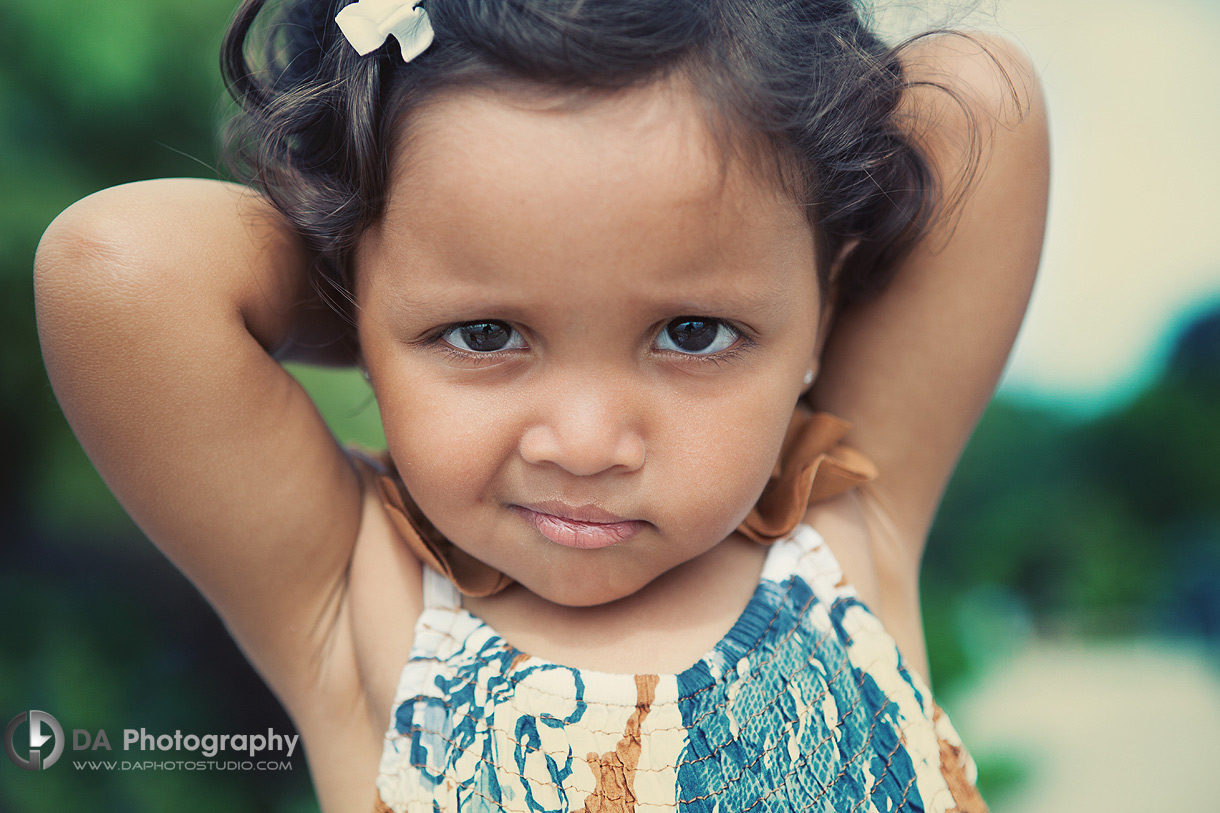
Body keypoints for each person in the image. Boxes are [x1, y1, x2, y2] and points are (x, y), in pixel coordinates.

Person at [33, 0, 1048, 810]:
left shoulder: (844, 530)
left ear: (824, 300)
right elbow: (116, 270)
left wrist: (442, 296)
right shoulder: (353, 600)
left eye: (691, 333)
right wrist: (385, 279)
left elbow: (975, 95)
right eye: (484, 334)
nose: (586, 442)